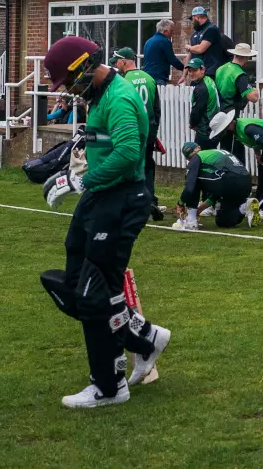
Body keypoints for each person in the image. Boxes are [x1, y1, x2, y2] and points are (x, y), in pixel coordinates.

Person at [36, 35, 169, 409]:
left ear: (84, 67)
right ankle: (146, 339)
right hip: (102, 196)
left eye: (69, 79)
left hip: (122, 198)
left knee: (97, 293)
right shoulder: (98, 95)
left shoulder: (119, 97)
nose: (69, 90)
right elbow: (103, 145)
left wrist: (84, 179)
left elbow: (128, 153)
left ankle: (109, 386)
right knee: (76, 280)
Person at [112, 50, 166, 217]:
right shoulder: (149, 78)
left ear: (125, 61)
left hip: (130, 129)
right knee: (148, 165)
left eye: (117, 61)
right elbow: (157, 110)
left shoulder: (122, 81)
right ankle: (150, 200)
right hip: (148, 129)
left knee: (130, 166)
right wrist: (153, 130)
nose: (115, 64)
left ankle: (134, 201)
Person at [173, 142, 252, 229]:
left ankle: (191, 221)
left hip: (230, 181)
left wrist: (180, 203)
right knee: (222, 220)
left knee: (193, 179)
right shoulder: (215, 152)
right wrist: (199, 209)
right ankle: (245, 207)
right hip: (246, 183)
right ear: (198, 147)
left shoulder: (197, 157)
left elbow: (189, 188)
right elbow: (217, 191)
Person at [187, 6, 232, 73]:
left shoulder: (211, 29)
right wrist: (184, 75)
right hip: (198, 72)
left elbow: (200, 49)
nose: (192, 22)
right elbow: (190, 55)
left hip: (209, 72)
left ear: (197, 17)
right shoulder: (195, 34)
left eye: (192, 19)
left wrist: (189, 47)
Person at [143, 19, 187, 84]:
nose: (173, 34)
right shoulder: (165, 41)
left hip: (147, 77)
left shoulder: (148, 41)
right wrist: (185, 68)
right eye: (171, 31)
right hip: (159, 78)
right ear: (165, 31)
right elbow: (172, 59)